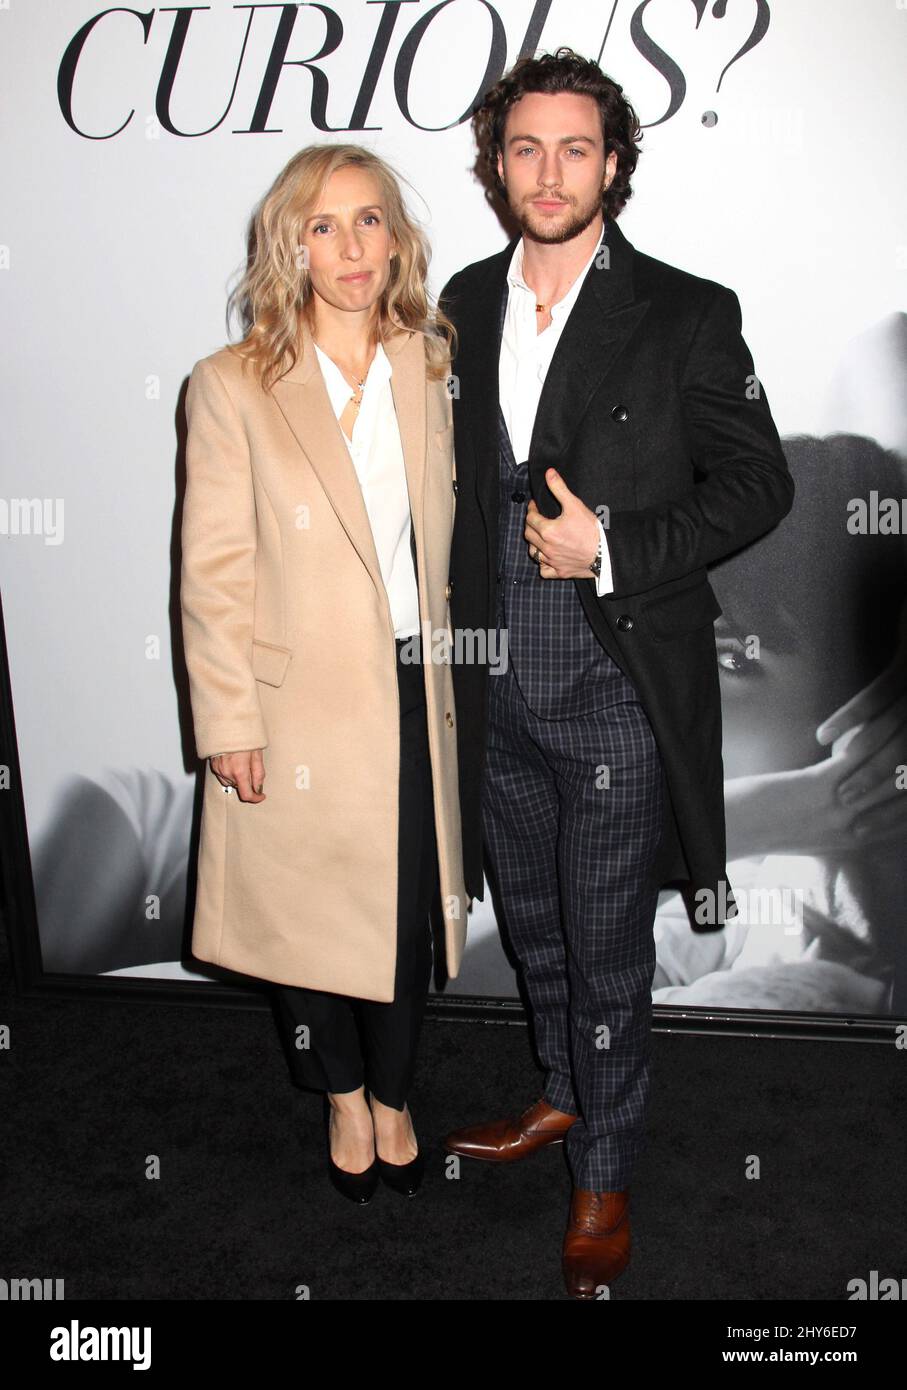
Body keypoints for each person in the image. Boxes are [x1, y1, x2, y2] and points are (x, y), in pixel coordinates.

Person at [438, 48, 794, 1298]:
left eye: (573, 147)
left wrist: (615, 547)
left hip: (613, 680)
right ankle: (557, 1088)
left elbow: (762, 482)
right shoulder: (460, 303)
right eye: (524, 147)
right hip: (489, 680)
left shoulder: (690, 311)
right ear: (496, 164)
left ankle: (604, 1159)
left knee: (603, 941)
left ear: (615, 165)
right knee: (528, 921)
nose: (548, 170)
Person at [180, 143, 468, 1205]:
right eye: (322, 225)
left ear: (395, 236)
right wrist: (227, 724)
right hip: (290, 703)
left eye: (369, 221)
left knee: (403, 919)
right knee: (303, 918)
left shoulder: (429, 362)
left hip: (409, 688)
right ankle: (341, 1089)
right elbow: (213, 573)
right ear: (288, 245)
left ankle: (394, 1092)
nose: (349, 248)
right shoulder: (232, 385)